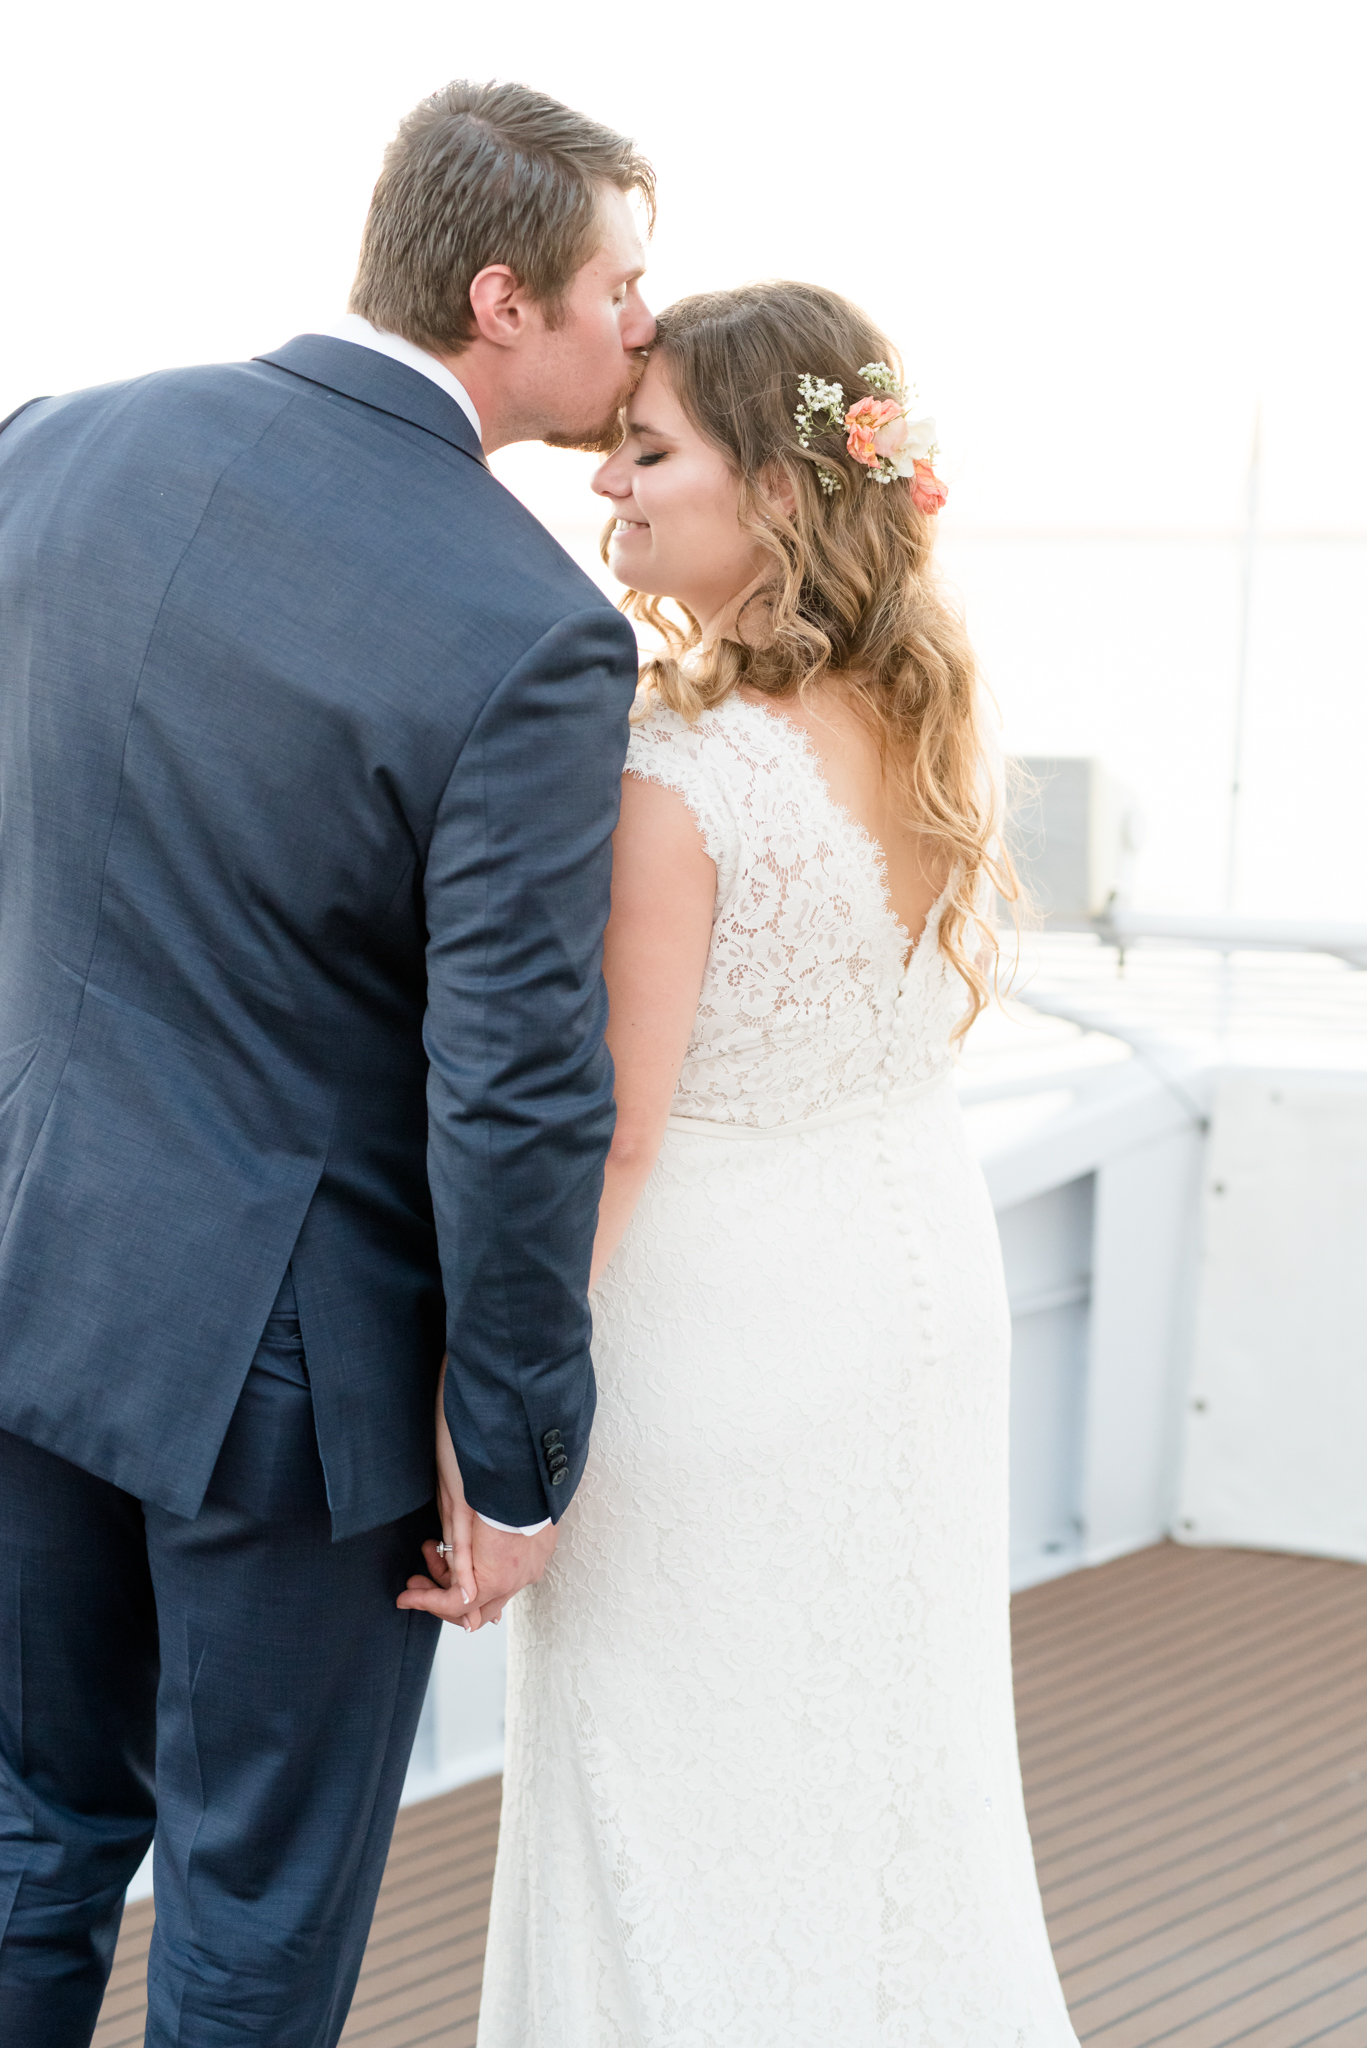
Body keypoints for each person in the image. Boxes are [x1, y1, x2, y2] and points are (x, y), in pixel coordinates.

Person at [0, 80, 653, 2045]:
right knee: (254, 1902)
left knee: (31, 1831)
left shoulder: (51, 447)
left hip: (27, 1273)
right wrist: (521, 1447)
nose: (646, 324)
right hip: (291, 1387)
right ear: (501, 299)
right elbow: (521, 1084)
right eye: (624, 283)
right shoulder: (532, 627)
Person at [477, 282, 1081, 2046]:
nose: (611, 493)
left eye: (649, 454)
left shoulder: (674, 777)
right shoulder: (925, 722)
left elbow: (618, 1134)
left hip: (722, 1346)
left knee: (674, 1795)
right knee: (900, 1787)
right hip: (917, 1310)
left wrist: (495, 1418)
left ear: (784, 485)